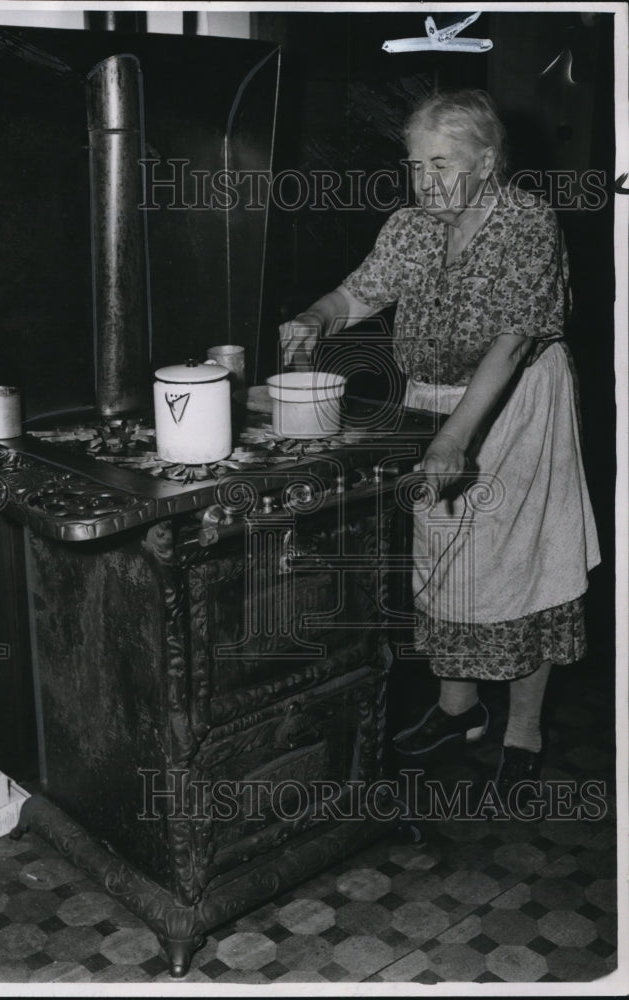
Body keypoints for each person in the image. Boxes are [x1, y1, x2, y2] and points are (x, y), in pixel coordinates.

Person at [279, 89, 601, 796]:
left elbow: (513, 342)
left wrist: (455, 439)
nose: (425, 180)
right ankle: (457, 710)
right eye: (414, 164)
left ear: (485, 162)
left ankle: (522, 729)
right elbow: (360, 291)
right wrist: (314, 317)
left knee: (522, 563)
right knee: (441, 559)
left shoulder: (525, 221)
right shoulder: (413, 224)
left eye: (441, 163)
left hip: (514, 404)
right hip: (430, 404)